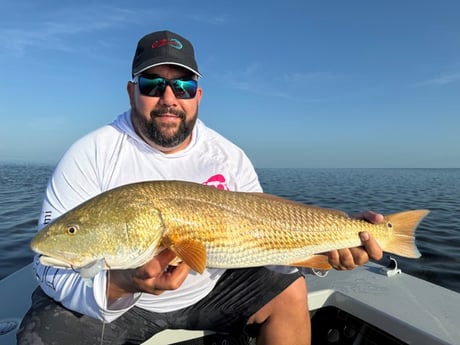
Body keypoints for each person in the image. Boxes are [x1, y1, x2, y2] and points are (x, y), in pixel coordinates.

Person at [17, 30, 383, 345]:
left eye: (183, 85)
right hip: (124, 304)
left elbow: (266, 231)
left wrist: (327, 253)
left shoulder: (228, 154)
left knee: (290, 291)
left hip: (213, 288)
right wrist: (121, 283)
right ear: (131, 91)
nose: (169, 98)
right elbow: (46, 265)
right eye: (152, 84)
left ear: (199, 96)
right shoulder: (90, 153)